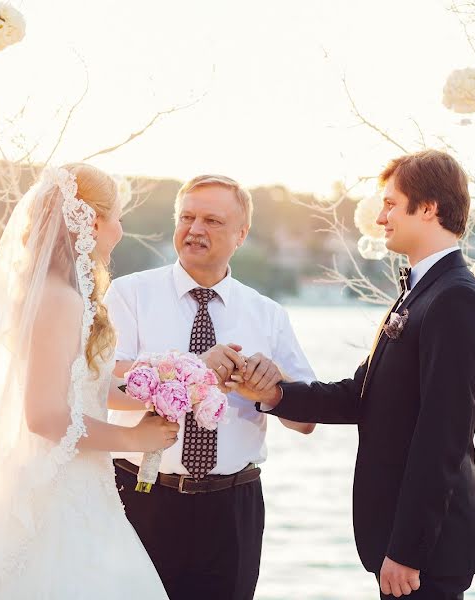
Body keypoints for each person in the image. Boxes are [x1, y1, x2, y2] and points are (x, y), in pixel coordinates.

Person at [0, 164, 174, 599]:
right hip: (56, 492)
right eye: (118, 216)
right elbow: (44, 416)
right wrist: (132, 440)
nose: (120, 229)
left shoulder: (63, 294)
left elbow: (83, 389)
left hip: (83, 483)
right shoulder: (58, 300)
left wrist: (157, 393)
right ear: (93, 222)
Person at [233, 150, 475, 599]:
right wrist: (274, 394)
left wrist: (408, 550)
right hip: (401, 536)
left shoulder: (456, 299)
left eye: (391, 204)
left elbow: (443, 436)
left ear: (429, 208)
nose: (380, 217)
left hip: (427, 549)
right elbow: (362, 394)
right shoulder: (422, 292)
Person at [105, 174, 316, 600]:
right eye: (187, 217)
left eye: (213, 221)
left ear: (242, 234)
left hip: (232, 507)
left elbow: (306, 419)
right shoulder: (129, 295)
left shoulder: (268, 314)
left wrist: (270, 390)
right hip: (138, 496)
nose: (195, 229)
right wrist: (191, 368)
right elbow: (101, 383)